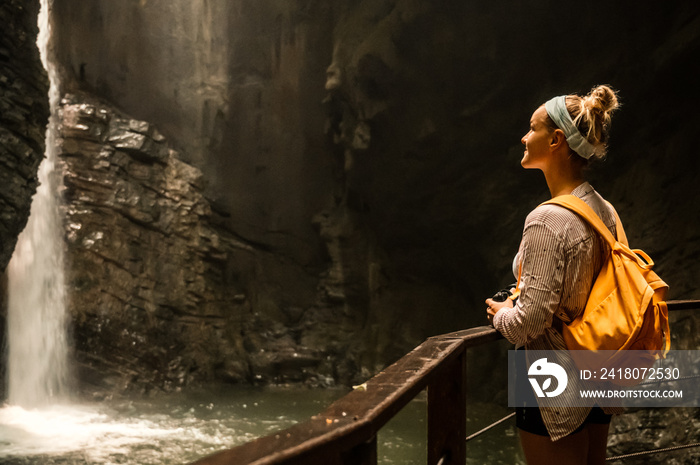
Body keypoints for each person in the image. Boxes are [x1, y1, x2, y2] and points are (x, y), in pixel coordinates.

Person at [485, 85, 621, 465]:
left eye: (532, 128)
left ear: (557, 140)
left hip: (550, 378)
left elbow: (529, 322)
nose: (524, 137)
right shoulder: (603, 209)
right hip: (597, 368)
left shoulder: (547, 218)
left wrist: (501, 315)